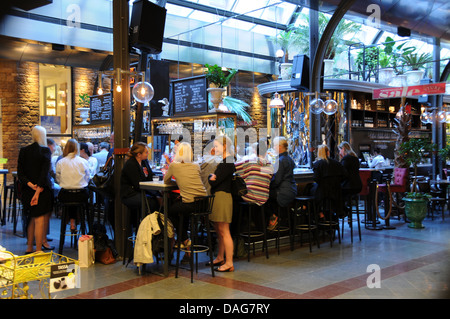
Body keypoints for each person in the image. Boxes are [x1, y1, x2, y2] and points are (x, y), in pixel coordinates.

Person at [163, 142, 207, 250]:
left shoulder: (174, 165)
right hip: (204, 203)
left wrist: (177, 182)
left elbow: (166, 180)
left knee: (169, 211)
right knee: (182, 211)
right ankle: (184, 241)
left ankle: (184, 239)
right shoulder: (196, 165)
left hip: (190, 204)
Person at [17, 126, 54, 254]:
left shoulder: (24, 150)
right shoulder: (45, 151)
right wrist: (37, 191)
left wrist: (30, 185)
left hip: (28, 190)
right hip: (42, 191)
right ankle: (38, 250)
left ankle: (29, 247)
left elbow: (20, 173)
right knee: (39, 219)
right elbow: (44, 174)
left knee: (31, 218)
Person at [208, 135, 235, 272]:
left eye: (216, 146)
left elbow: (215, 180)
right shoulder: (226, 161)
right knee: (219, 230)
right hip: (220, 196)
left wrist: (211, 178)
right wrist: (212, 178)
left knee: (224, 231)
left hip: (222, 197)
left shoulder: (227, 162)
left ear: (224, 146)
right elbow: (213, 178)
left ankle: (229, 262)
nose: (214, 148)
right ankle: (220, 257)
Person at [120, 142, 159, 228]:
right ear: (139, 154)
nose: (148, 153)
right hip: (129, 194)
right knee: (150, 202)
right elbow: (137, 184)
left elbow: (150, 175)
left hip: (141, 191)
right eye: (146, 152)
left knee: (157, 200)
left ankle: (152, 227)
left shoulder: (144, 162)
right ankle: (144, 228)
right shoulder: (131, 164)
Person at [55, 139, 90, 233]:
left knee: (69, 197)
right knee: (79, 198)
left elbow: (58, 179)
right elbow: (87, 178)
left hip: (65, 195)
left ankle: (71, 221)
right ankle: (79, 224)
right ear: (77, 148)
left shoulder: (60, 162)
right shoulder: (83, 162)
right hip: (81, 195)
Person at [267, 136, 297, 230]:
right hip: (292, 190)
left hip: (283, 192)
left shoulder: (280, 160)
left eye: (275, 146)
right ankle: (282, 217)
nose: (273, 148)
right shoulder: (289, 158)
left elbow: (277, 181)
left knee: (263, 196)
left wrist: (267, 186)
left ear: (280, 147)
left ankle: (275, 217)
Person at [310, 144, 347, 218]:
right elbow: (345, 175)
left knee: (309, 189)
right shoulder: (337, 164)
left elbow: (316, 178)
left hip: (323, 193)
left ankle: (316, 213)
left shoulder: (318, 164)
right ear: (328, 152)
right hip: (336, 193)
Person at [235, 142, 273, 206]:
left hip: (249, 196)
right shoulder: (271, 166)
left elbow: (234, 168)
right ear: (266, 153)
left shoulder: (250, 161)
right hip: (264, 198)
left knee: (233, 194)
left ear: (255, 151)